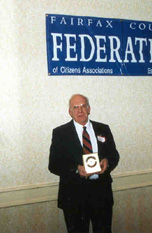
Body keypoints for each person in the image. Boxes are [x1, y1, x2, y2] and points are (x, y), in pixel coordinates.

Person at [49, 94, 120, 233]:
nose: (80, 110)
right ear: (70, 112)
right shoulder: (60, 133)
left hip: (101, 193)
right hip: (74, 196)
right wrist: (76, 169)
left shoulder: (103, 129)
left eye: (83, 106)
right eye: (75, 107)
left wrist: (107, 162)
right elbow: (54, 164)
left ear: (89, 109)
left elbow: (114, 155)